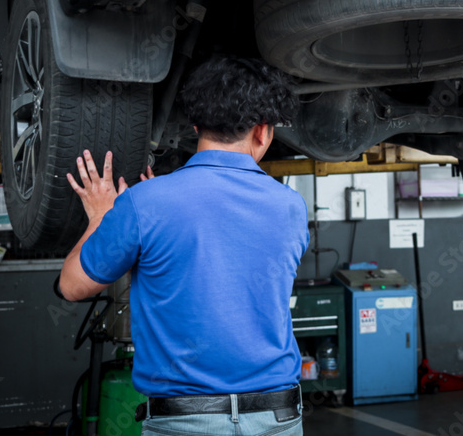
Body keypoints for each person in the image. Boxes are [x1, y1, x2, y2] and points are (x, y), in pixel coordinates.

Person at [59, 55, 308, 435]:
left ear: (195, 125)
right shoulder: (291, 208)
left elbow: (72, 286)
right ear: (263, 132)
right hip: (277, 418)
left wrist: (102, 218)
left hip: (187, 422)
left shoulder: (145, 202)